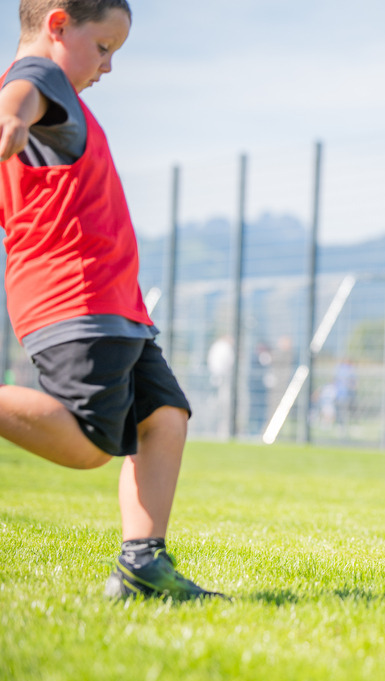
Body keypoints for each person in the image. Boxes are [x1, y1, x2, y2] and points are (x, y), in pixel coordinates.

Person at [0, 0, 223, 600]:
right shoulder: (40, 78)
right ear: (57, 25)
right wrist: (12, 114)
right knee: (91, 444)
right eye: (102, 48)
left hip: (116, 306)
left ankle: (143, 564)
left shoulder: (60, 100)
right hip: (75, 299)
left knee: (164, 417)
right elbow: (23, 90)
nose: (108, 67)